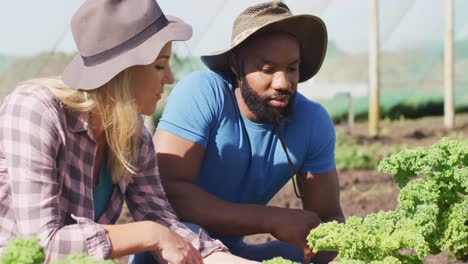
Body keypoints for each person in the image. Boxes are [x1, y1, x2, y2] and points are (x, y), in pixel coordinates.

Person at [0, 1, 256, 263]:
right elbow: (43, 244)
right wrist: (148, 233)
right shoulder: (35, 109)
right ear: (122, 72)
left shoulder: (135, 139)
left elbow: (167, 227)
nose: (170, 78)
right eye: (159, 65)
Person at [153, 1, 345, 264]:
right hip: (175, 251)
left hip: (232, 256)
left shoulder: (312, 121)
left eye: (292, 68)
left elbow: (329, 218)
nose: (283, 83)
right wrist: (270, 218)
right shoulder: (203, 93)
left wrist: (320, 243)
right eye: (267, 69)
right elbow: (165, 194)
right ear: (235, 64)